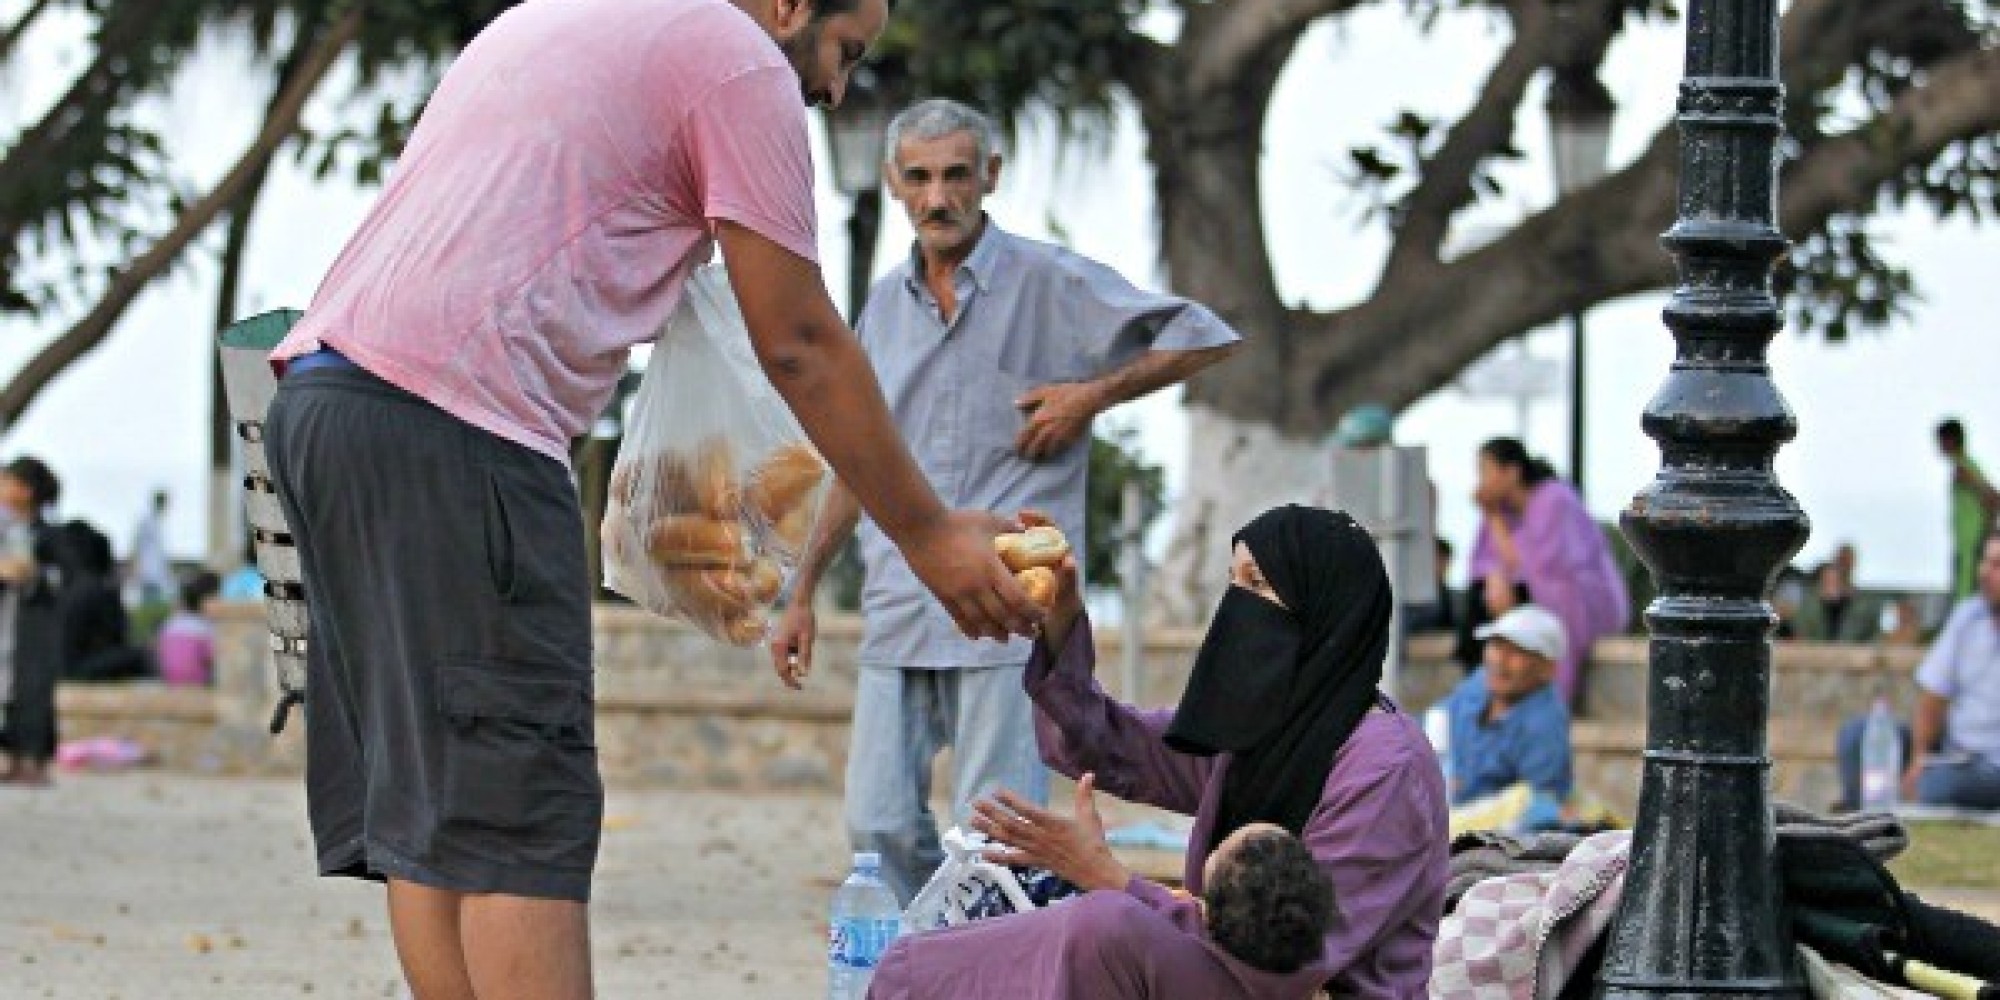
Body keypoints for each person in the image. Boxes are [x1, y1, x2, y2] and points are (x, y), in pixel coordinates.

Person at [259, 2, 1044, 995]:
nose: (836, 90)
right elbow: (796, 336)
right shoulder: (734, 59)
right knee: (516, 820)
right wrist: (927, 535)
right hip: (456, 425)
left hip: (329, 402)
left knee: (433, 814)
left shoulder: (560, 15)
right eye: (847, 52)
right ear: (794, 8)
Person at [767, 98, 1241, 902]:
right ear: (893, 183)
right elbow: (855, 461)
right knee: (875, 825)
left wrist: (1089, 396)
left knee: (992, 833)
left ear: (991, 176)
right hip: (901, 602)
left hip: (1008, 609)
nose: (937, 196)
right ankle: (936, 952)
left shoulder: (1051, 281)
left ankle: (975, 965)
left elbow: (1204, 334)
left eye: (956, 174)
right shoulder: (881, 307)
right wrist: (802, 591)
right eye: (918, 177)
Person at [869, 505, 1448, 999]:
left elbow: (1293, 962)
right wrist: (1060, 621)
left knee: (1107, 927)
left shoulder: (1384, 768)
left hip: (1291, 986)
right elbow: (1109, 746)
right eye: (1234, 583)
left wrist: (1112, 878)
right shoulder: (1265, 725)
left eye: (1259, 587)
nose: (1238, 609)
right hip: (1226, 973)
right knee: (923, 964)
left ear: (1324, 614)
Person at [1457, 438, 1629, 706]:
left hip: (1581, 596)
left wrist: (1492, 516)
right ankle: (1484, 694)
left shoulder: (1554, 499)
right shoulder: (1501, 511)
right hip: (1522, 596)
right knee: (1478, 602)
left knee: (1551, 596)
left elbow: (1540, 566)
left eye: (1486, 471)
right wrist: (1495, 576)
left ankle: (1550, 694)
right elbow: (1485, 563)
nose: (1481, 482)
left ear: (1511, 472)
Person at [1836, 532, 2000, 811]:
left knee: (1940, 785)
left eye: (1997, 565)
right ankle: (1861, 831)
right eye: (1985, 562)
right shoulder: (1969, 617)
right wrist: (1919, 757)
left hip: (1990, 767)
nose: (1984, 572)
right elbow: (1933, 696)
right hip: (1951, 753)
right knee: (1856, 737)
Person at [1441, 605, 1574, 830]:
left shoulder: (1544, 726)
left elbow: (1538, 808)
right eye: (1496, 645)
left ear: (1546, 668)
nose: (1500, 660)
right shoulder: (1476, 686)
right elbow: (1438, 722)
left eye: (1517, 652)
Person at [0, 457, 62, 787]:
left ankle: (33, 760)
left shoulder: (48, 535)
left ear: (25, 491)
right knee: (8, 689)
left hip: (35, 622)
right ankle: (12, 756)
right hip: (10, 618)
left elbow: (56, 575)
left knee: (33, 689)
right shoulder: (8, 528)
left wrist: (29, 572)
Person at [1937, 419, 2000, 600]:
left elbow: (1993, 497)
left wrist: (1987, 531)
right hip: (1968, 542)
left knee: (1965, 595)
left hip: (1970, 543)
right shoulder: (1964, 466)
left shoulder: (1963, 468)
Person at [1792, 545, 1881, 643]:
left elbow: (1873, 633)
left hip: (1852, 654)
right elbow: (1800, 628)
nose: (1845, 565)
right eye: (1842, 560)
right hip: (1816, 652)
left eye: (1848, 561)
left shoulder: (1864, 603)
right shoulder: (1811, 600)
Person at [156, 571, 221, 687]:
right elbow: (213, 657)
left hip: (170, 679)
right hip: (198, 681)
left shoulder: (171, 622)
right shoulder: (205, 627)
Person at [128, 489, 174, 607]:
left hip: (157, 572)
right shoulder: (146, 520)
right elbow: (136, 544)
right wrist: (135, 567)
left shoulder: (158, 522)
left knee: (159, 600)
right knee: (150, 602)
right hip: (148, 571)